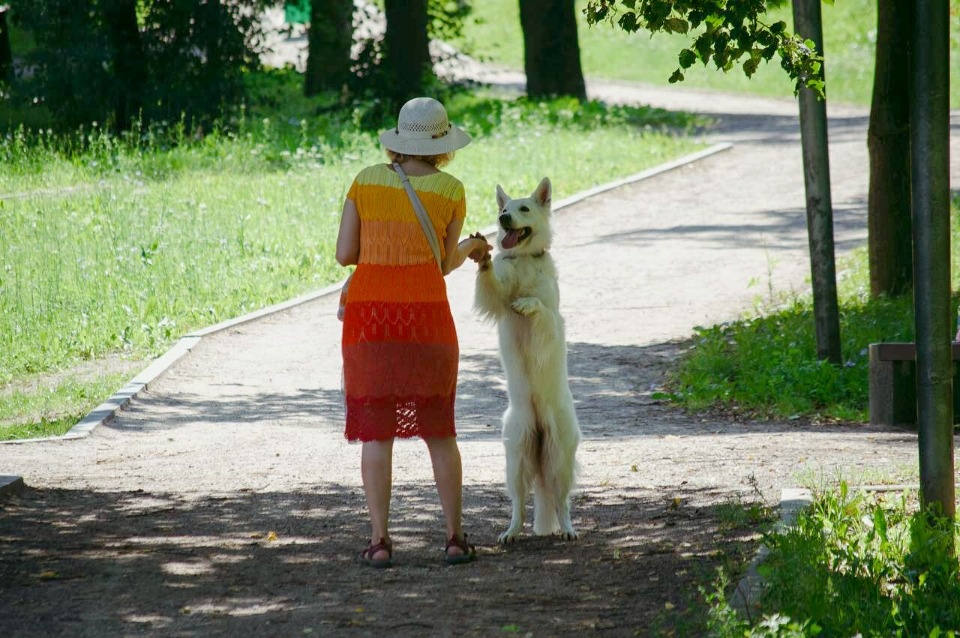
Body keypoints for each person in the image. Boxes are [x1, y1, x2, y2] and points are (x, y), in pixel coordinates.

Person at [335, 97, 491, 568]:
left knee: (376, 433)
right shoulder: (451, 190)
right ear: (442, 145)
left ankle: (380, 542)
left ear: (399, 142)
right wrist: (474, 247)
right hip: (426, 319)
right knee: (439, 430)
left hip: (370, 320)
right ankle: (454, 538)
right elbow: (443, 264)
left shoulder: (365, 181)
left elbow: (345, 254)